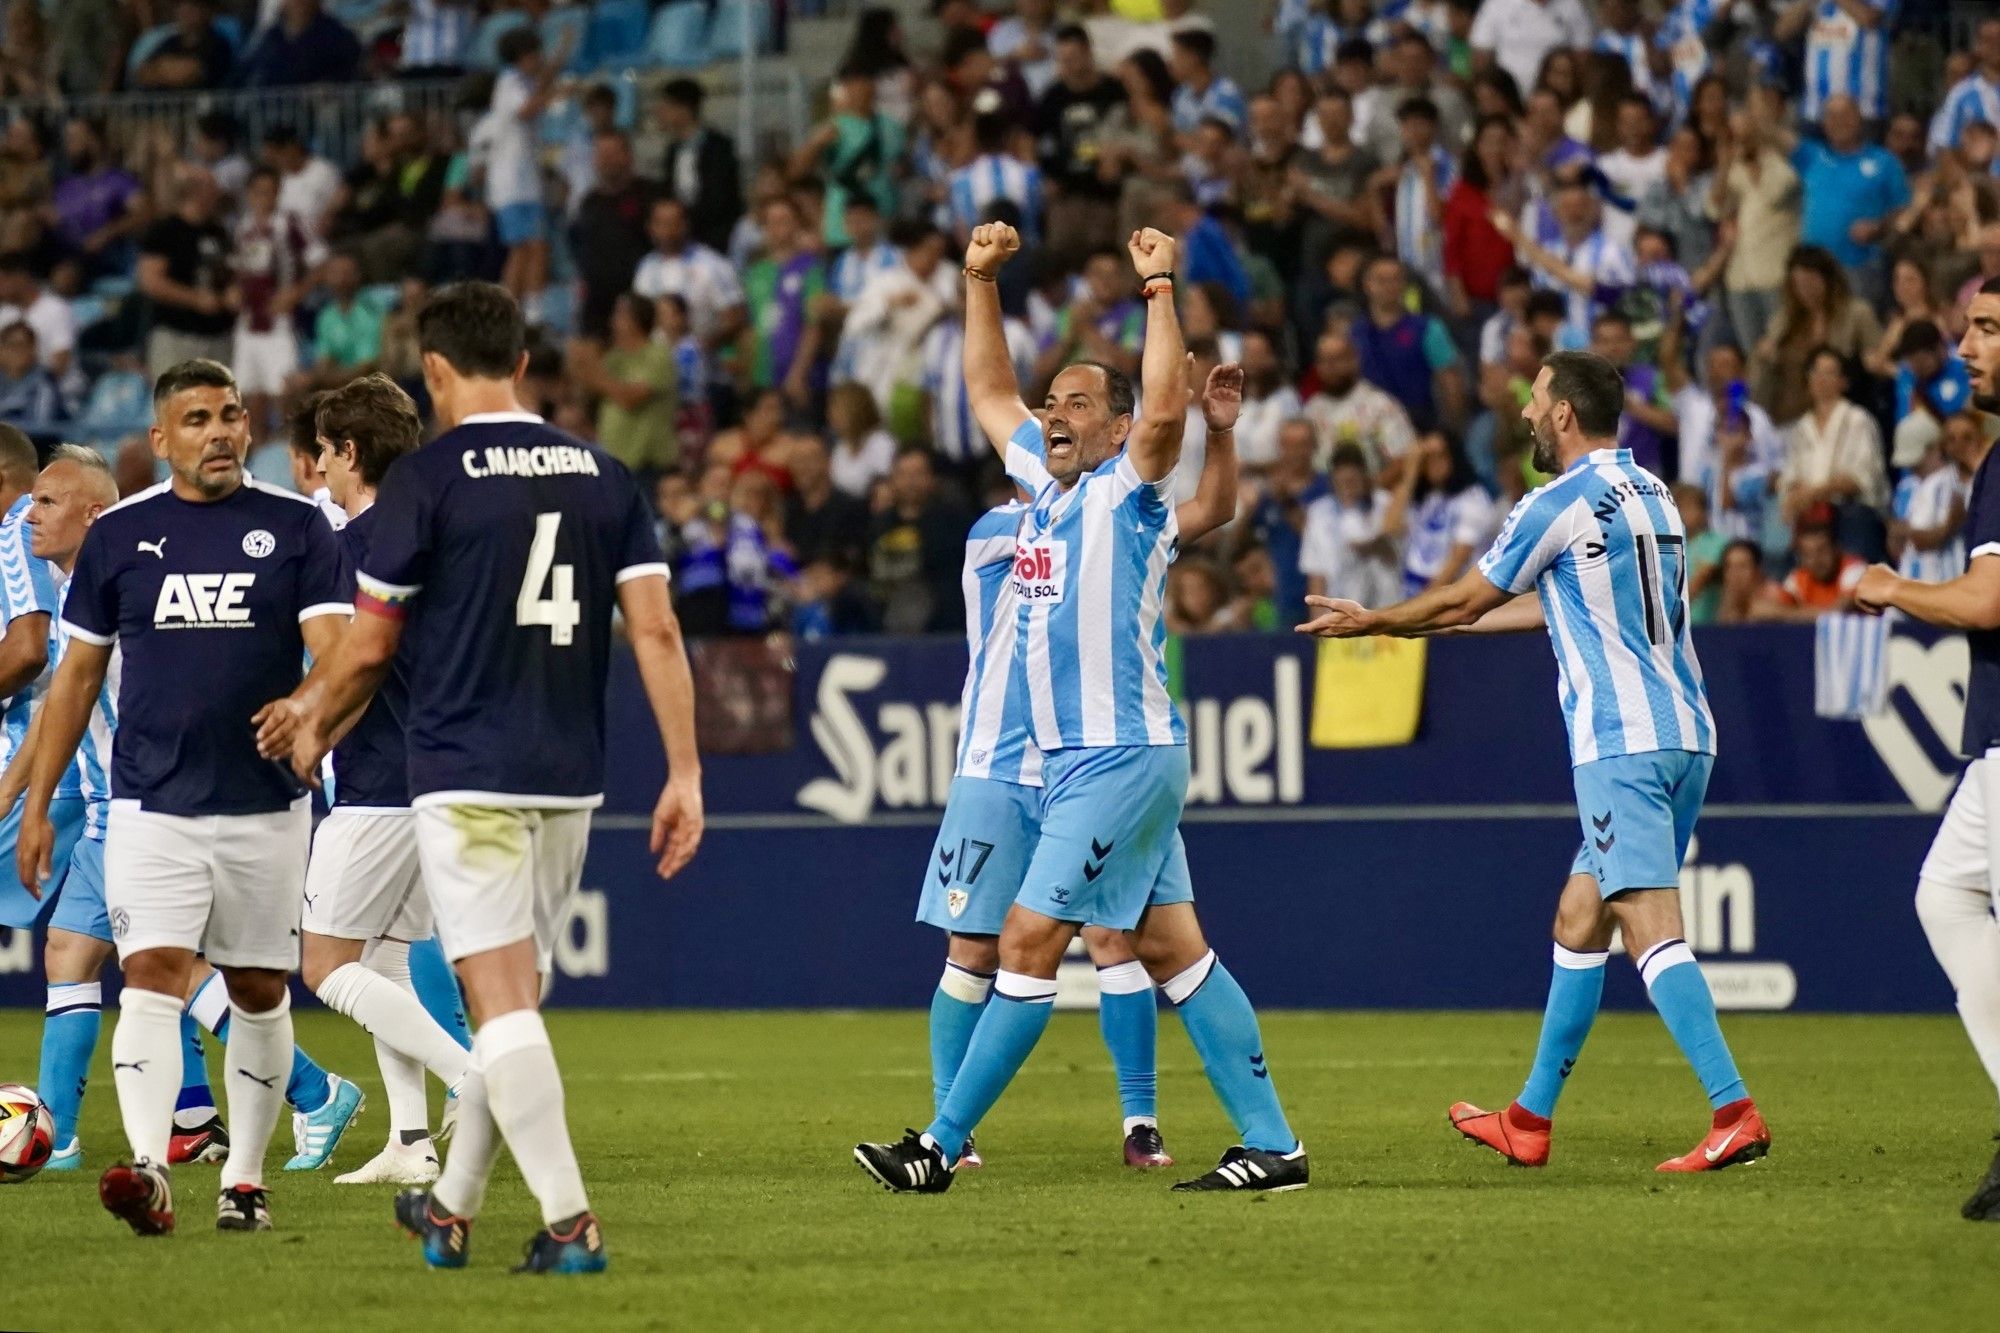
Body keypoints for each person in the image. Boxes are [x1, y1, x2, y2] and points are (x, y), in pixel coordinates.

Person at [856, 223, 1307, 1196]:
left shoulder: (1127, 492)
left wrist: (1155, 287)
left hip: (1116, 755)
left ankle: (936, 1144)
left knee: (1024, 939)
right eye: (1049, 401)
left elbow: (1159, 417)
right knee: (1173, 951)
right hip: (1079, 763)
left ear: (1112, 429)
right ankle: (1274, 1146)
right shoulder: (1044, 492)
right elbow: (985, 392)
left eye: (1075, 403)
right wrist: (980, 281)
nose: (1052, 413)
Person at [269, 281, 703, 1272]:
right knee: (517, 1002)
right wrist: (683, 770)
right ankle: (452, 1205)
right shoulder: (603, 473)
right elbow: (657, 630)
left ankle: (568, 1221)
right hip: (571, 773)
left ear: (434, 369)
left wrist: (311, 717)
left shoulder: (427, 480)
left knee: (499, 1007)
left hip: (467, 771)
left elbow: (372, 648)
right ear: (521, 356)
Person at [1301, 349, 1766, 1174]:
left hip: (1619, 741)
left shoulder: (1557, 501)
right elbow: (1550, 609)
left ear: (1562, 414)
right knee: (1579, 917)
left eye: (1536, 400)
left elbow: (1465, 594)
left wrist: (1377, 621)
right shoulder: (1652, 493)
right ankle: (1529, 1118)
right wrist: (1435, 622)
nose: (1522, 414)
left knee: (1651, 928)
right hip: (1688, 729)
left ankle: (1734, 1110)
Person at [18, 360, 349, 1236]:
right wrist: (40, 800)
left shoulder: (295, 526)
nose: (221, 430)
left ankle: (244, 1177)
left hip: (266, 805)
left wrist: (309, 713)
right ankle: (144, 1169)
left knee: (256, 988)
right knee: (152, 975)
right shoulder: (121, 537)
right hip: (148, 805)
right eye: (198, 417)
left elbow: (336, 646)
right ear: (162, 439)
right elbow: (75, 677)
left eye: (231, 413)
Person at [255, 376, 475, 1189]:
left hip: (385, 778)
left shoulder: (358, 546)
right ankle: (412, 1140)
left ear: (348, 453)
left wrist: (313, 724)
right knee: (381, 961)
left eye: (324, 456)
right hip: (447, 771)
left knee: (323, 965)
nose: (318, 473)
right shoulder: (441, 534)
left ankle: (475, 1079)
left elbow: (359, 661)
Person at [136, 170, 236, 381]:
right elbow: (150, 281)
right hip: (177, 335)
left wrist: (232, 292)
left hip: (217, 335)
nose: (218, 194)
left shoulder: (219, 232)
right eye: (213, 189)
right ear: (196, 192)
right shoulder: (165, 231)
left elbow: (229, 272)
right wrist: (194, 299)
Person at [656, 78, 744, 256]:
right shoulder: (672, 151)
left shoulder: (719, 147)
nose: (661, 113)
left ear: (684, 108)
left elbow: (720, 196)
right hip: (681, 238)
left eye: (666, 107)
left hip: (715, 238)